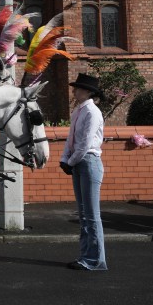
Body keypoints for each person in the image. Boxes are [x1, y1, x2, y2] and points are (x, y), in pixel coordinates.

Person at [60, 72, 107, 271]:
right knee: (84, 213)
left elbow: (86, 143)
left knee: (91, 214)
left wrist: (70, 161)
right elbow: (71, 138)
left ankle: (94, 260)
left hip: (88, 162)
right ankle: (86, 256)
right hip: (80, 162)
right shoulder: (79, 111)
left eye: (78, 88)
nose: (74, 90)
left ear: (87, 92)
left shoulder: (92, 112)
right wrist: (65, 160)